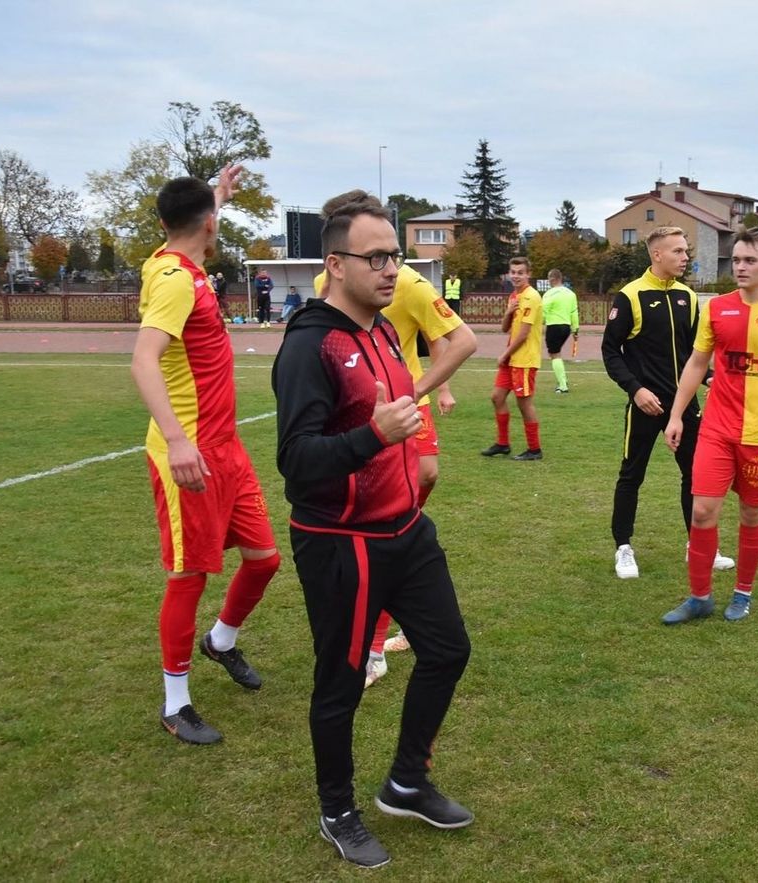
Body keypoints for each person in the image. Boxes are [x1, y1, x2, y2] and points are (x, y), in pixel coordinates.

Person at [273, 189, 472, 869]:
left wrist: (407, 453)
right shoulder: (311, 345)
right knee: (341, 680)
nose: (392, 269)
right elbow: (296, 462)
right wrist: (371, 436)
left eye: (396, 255)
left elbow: (398, 414)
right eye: (377, 257)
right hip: (341, 541)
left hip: (406, 528)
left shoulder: (384, 328)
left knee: (447, 648)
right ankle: (338, 809)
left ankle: (406, 781)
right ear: (335, 262)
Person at [129, 168, 281, 746]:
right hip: (188, 452)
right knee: (189, 573)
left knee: (264, 559)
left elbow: (191, 219)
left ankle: (219, 641)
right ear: (210, 225)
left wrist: (215, 193)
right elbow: (144, 361)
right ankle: (176, 704)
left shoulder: (174, 259)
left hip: (226, 447)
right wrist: (176, 440)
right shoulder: (173, 280)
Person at [314, 257, 477, 686]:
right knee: (377, 528)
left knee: (420, 487)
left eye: (387, 251)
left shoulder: (411, 284)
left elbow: (457, 339)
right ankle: (372, 642)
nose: (385, 264)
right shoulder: (325, 284)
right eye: (372, 252)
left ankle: (388, 620)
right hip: (359, 421)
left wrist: (425, 389)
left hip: (405, 410)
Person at [661, 226, 758, 624]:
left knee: (751, 515)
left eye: (749, 260)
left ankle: (742, 593)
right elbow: (697, 364)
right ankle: (700, 597)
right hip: (716, 428)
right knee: (702, 512)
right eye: (736, 260)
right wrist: (676, 415)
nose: (740, 267)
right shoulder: (715, 308)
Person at [601, 225, 734, 580]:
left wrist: (708, 378)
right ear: (656, 254)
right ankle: (623, 547)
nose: (684, 257)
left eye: (685, 251)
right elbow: (610, 352)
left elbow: (695, 352)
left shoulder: (687, 297)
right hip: (646, 405)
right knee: (632, 475)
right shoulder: (630, 296)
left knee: (695, 476)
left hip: (685, 405)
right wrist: (635, 390)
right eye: (677, 251)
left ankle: (699, 544)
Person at [480, 256, 544, 461]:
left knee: (524, 404)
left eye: (520, 272)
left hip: (524, 359)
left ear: (528, 274)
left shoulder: (532, 297)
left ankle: (534, 449)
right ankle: (502, 443)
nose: (516, 276)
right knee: (497, 397)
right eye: (513, 272)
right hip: (512, 359)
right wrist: (508, 312)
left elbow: (524, 333)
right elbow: (505, 328)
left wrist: (504, 354)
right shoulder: (514, 296)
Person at [541, 268, 579, 394]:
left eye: (549, 279)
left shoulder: (549, 294)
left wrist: (538, 323)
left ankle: (563, 385)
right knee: (555, 353)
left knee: (554, 354)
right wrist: (575, 330)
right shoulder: (571, 294)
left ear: (552, 279)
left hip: (554, 326)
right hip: (566, 327)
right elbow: (574, 312)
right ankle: (562, 379)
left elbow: (543, 311)